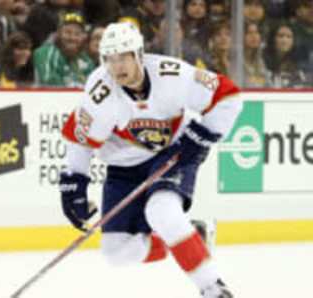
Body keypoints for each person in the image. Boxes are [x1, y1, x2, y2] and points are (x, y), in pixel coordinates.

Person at [59, 22, 242, 297]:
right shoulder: (99, 93)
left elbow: (228, 96)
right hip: (122, 167)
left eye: (123, 57)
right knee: (116, 251)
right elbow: (80, 139)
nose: (116, 66)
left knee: (162, 210)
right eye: (109, 58)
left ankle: (213, 287)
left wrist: (204, 134)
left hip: (171, 153)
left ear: (139, 54)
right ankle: (192, 235)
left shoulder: (173, 75)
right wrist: (73, 184)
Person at [33, 12, 95, 87]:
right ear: (58, 33)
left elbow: (93, 88)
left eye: (77, 34)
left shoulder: (87, 61)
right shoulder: (44, 53)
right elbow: (49, 83)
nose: (72, 38)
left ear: (83, 37)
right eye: (67, 32)